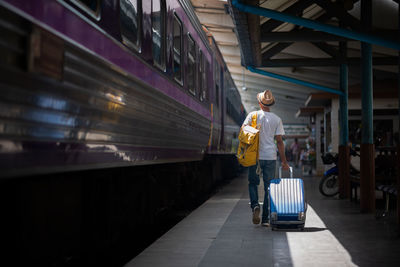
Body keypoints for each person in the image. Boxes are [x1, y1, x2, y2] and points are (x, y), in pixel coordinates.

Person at [241, 90, 290, 227]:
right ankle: (265, 219)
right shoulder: (277, 119)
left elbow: (243, 130)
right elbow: (279, 142)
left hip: (255, 156)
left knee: (253, 183)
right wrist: (284, 162)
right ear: (270, 104)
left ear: (259, 103)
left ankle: (255, 205)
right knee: (269, 187)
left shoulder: (253, 115)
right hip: (270, 157)